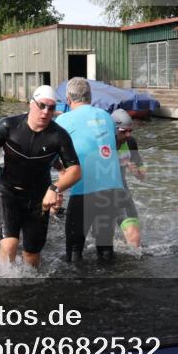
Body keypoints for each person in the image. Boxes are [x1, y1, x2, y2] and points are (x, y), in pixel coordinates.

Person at [0, 85, 81, 268]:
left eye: (51, 108)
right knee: (9, 245)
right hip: (8, 192)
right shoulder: (8, 126)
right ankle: (2, 286)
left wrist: (55, 188)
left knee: (31, 255)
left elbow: (75, 170)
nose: (45, 112)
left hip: (38, 198)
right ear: (30, 104)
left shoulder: (59, 136)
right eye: (41, 106)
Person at [55, 78, 127, 262]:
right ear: (90, 96)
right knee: (105, 248)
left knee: (73, 251)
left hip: (84, 190)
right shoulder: (106, 116)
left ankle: (79, 289)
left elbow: (53, 154)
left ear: (68, 99)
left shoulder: (62, 120)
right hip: (112, 189)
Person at [111, 109, 144, 248]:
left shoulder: (130, 143)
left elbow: (142, 176)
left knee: (134, 238)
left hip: (121, 190)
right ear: (113, 129)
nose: (128, 135)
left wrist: (136, 171)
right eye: (123, 131)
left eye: (130, 130)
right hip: (100, 192)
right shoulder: (102, 143)